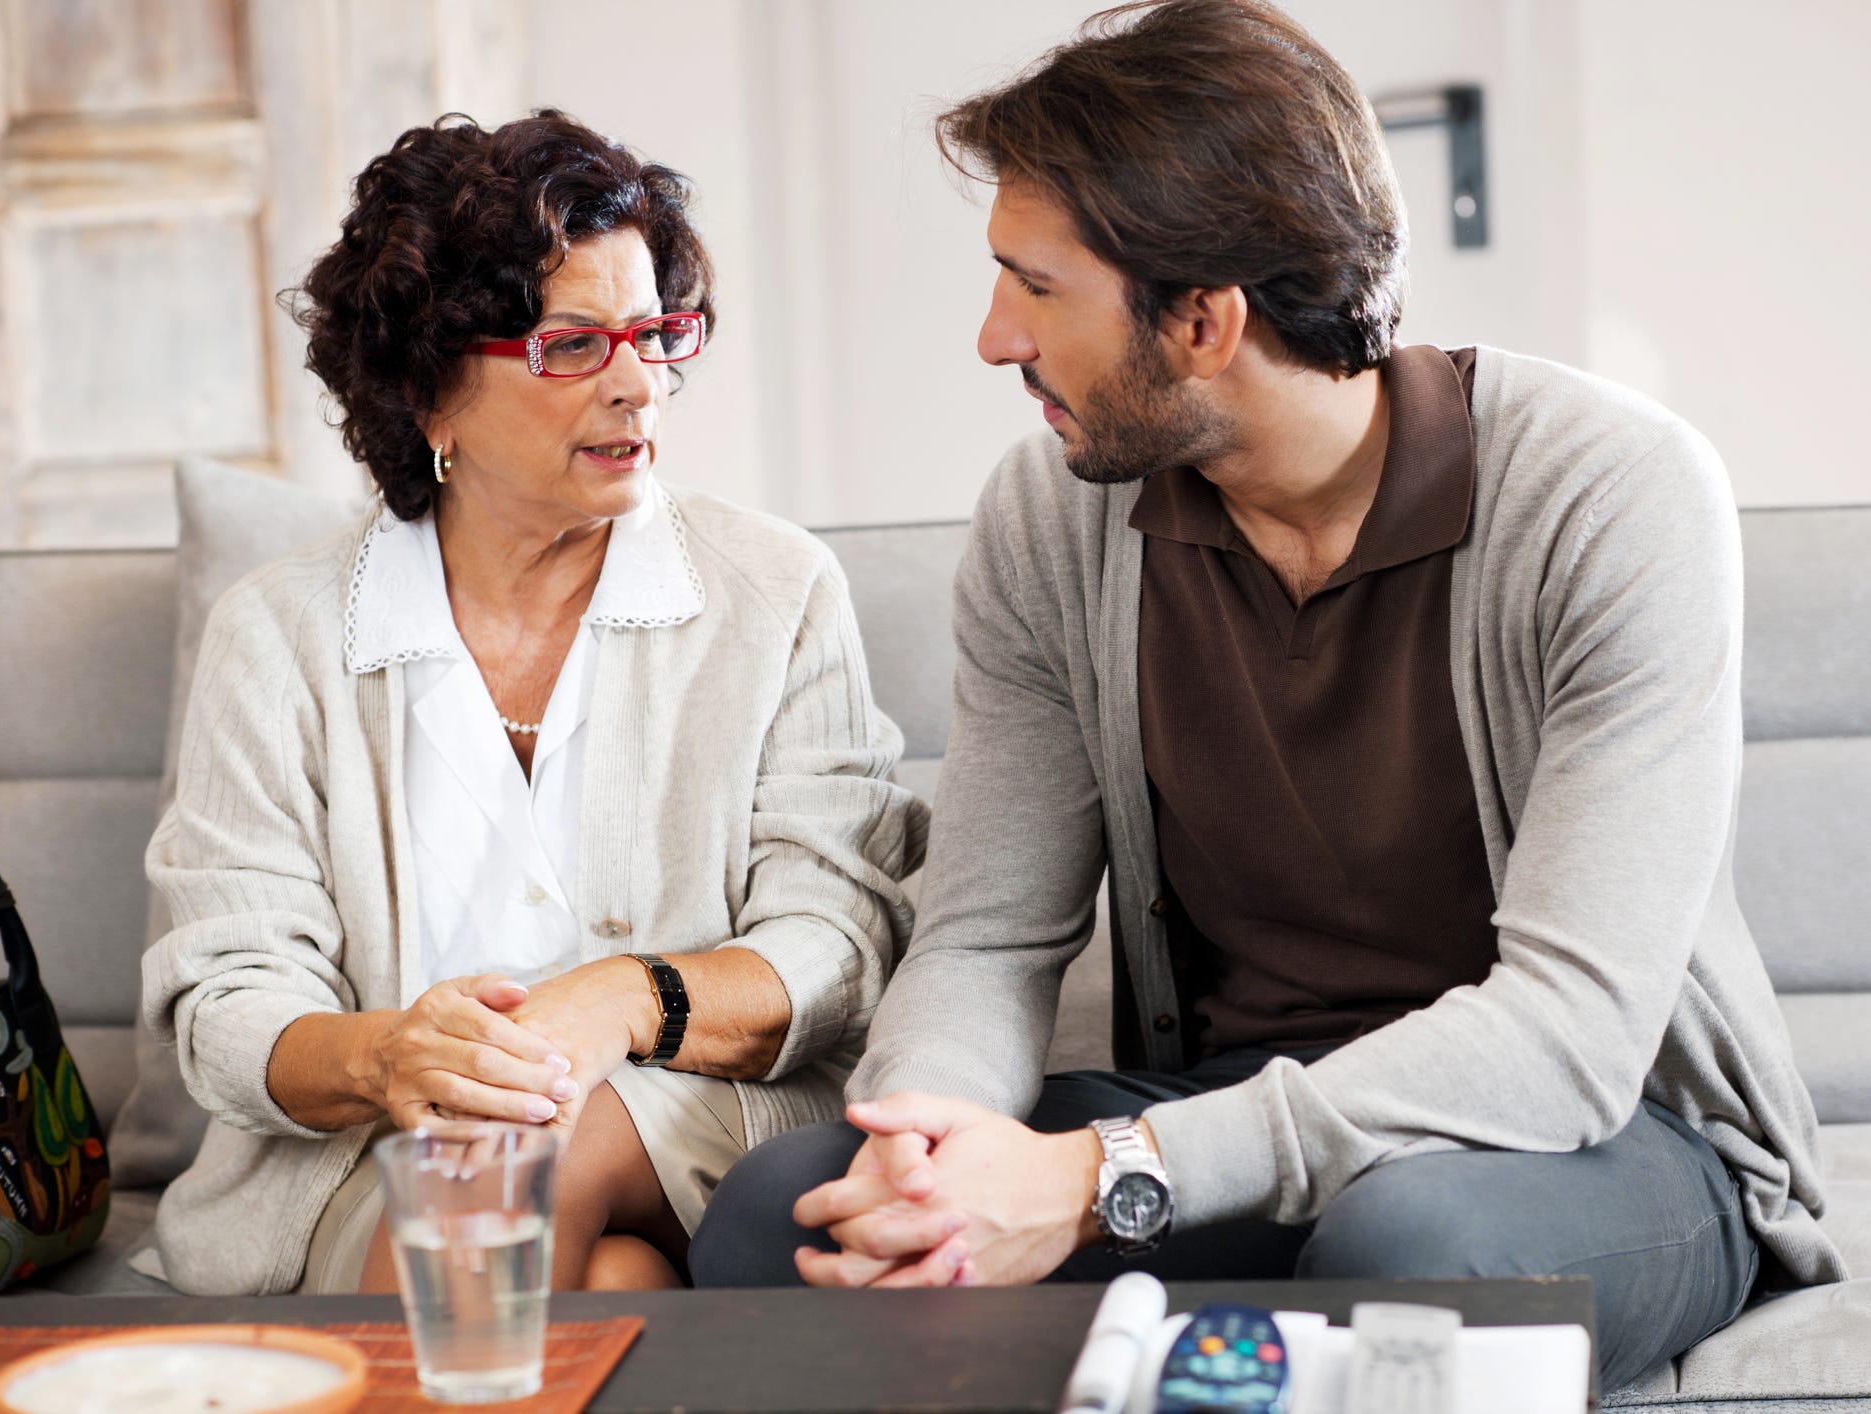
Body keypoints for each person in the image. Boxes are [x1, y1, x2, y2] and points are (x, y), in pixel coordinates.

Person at [689, 0, 1845, 1388]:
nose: (996, 337)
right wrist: (924, 1147)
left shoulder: (1609, 493)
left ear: (1201, 318)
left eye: (1036, 287)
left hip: (1577, 1147)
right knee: (786, 1212)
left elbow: (1568, 1035)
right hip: (1219, 1128)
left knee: (1402, 1243)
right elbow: (987, 937)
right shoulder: (1051, 524)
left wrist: (1102, 1175)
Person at [140, 111, 927, 1297]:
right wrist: (391, 1056)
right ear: (428, 391)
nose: (638, 382)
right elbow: (225, 997)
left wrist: (614, 1002)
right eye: (572, 345)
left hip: (691, 1118)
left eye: (655, 333)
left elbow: (834, 941)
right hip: (375, 1154)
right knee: (610, 1285)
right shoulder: (279, 634)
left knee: (514, 1164)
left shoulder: (775, 593)